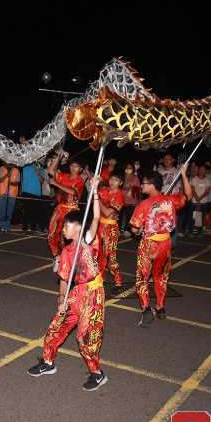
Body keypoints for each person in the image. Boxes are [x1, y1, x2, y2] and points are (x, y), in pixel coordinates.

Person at [28, 175, 108, 392]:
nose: (62, 230)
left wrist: (95, 192)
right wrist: (61, 300)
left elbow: (95, 219)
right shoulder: (66, 251)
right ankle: (48, 362)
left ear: (77, 228)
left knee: (85, 337)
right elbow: (64, 278)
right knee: (56, 327)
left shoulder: (88, 241)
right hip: (76, 293)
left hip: (93, 293)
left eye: (66, 226)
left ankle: (97, 373)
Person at [130, 164, 193, 326]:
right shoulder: (171, 200)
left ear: (151, 185)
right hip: (166, 243)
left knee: (142, 277)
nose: (141, 186)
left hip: (149, 244)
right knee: (161, 276)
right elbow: (188, 195)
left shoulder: (143, 205)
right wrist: (184, 175)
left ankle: (145, 308)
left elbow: (135, 229)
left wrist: (139, 231)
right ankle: (160, 306)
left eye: (144, 183)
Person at [46, 151, 85, 271]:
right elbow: (50, 171)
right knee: (52, 234)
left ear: (81, 169)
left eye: (76, 166)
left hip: (71, 211)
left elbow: (73, 192)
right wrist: (58, 157)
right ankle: (57, 257)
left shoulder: (80, 180)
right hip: (59, 209)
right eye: (72, 165)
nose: (73, 168)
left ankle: (70, 262)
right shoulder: (64, 176)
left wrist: (57, 184)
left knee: (66, 238)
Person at [98, 173, 125, 289]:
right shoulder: (104, 190)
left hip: (111, 228)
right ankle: (100, 278)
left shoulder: (119, 195)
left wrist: (96, 199)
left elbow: (108, 212)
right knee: (100, 254)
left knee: (111, 255)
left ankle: (118, 280)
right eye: (112, 179)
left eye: (116, 180)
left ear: (121, 183)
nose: (113, 182)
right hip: (100, 225)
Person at [20, 159, 44, 234]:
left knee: (34, 212)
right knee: (26, 211)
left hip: (36, 193)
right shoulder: (25, 166)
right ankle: (24, 229)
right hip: (26, 192)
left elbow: (42, 181)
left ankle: (33, 229)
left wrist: (38, 173)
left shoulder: (40, 167)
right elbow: (22, 179)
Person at [0, 162, 20, 232]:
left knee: (10, 211)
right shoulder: (1, 169)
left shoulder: (16, 170)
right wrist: (6, 175)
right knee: (1, 210)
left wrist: (12, 183)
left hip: (12, 194)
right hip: (1, 193)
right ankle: (2, 227)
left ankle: (7, 227)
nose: (10, 163)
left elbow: (17, 182)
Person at [120, 162, 141, 237]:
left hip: (131, 202)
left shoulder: (135, 178)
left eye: (130, 168)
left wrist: (137, 202)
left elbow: (137, 191)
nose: (128, 169)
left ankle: (128, 230)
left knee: (129, 217)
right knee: (121, 216)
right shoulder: (121, 177)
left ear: (133, 169)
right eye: (127, 167)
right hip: (121, 201)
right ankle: (120, 229)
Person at [190, 165, 211, 233]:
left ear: (205, 171)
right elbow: (192, 189)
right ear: (198, 170)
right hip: (194, 201)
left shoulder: (207, 180)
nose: (202, 171)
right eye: (200, 169)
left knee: (202, 217)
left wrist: (200, 198)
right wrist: (196, 198)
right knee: (194, 216)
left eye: (203, 169)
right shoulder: (194, 179)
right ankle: (193, 230)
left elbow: (207, 191)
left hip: (203, 202)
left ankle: (200, 231)